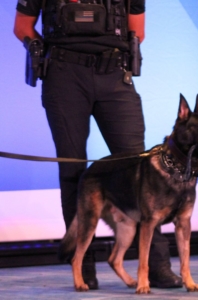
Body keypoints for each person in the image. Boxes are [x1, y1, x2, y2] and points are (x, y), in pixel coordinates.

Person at [14, 0, 182, 290]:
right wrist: (47, 51)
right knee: (73, 170)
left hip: (114, 75)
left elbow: (137, 32)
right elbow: (22, 27)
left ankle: (158, 267)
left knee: (139, 171)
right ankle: (84, 267)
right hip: (63, 76)